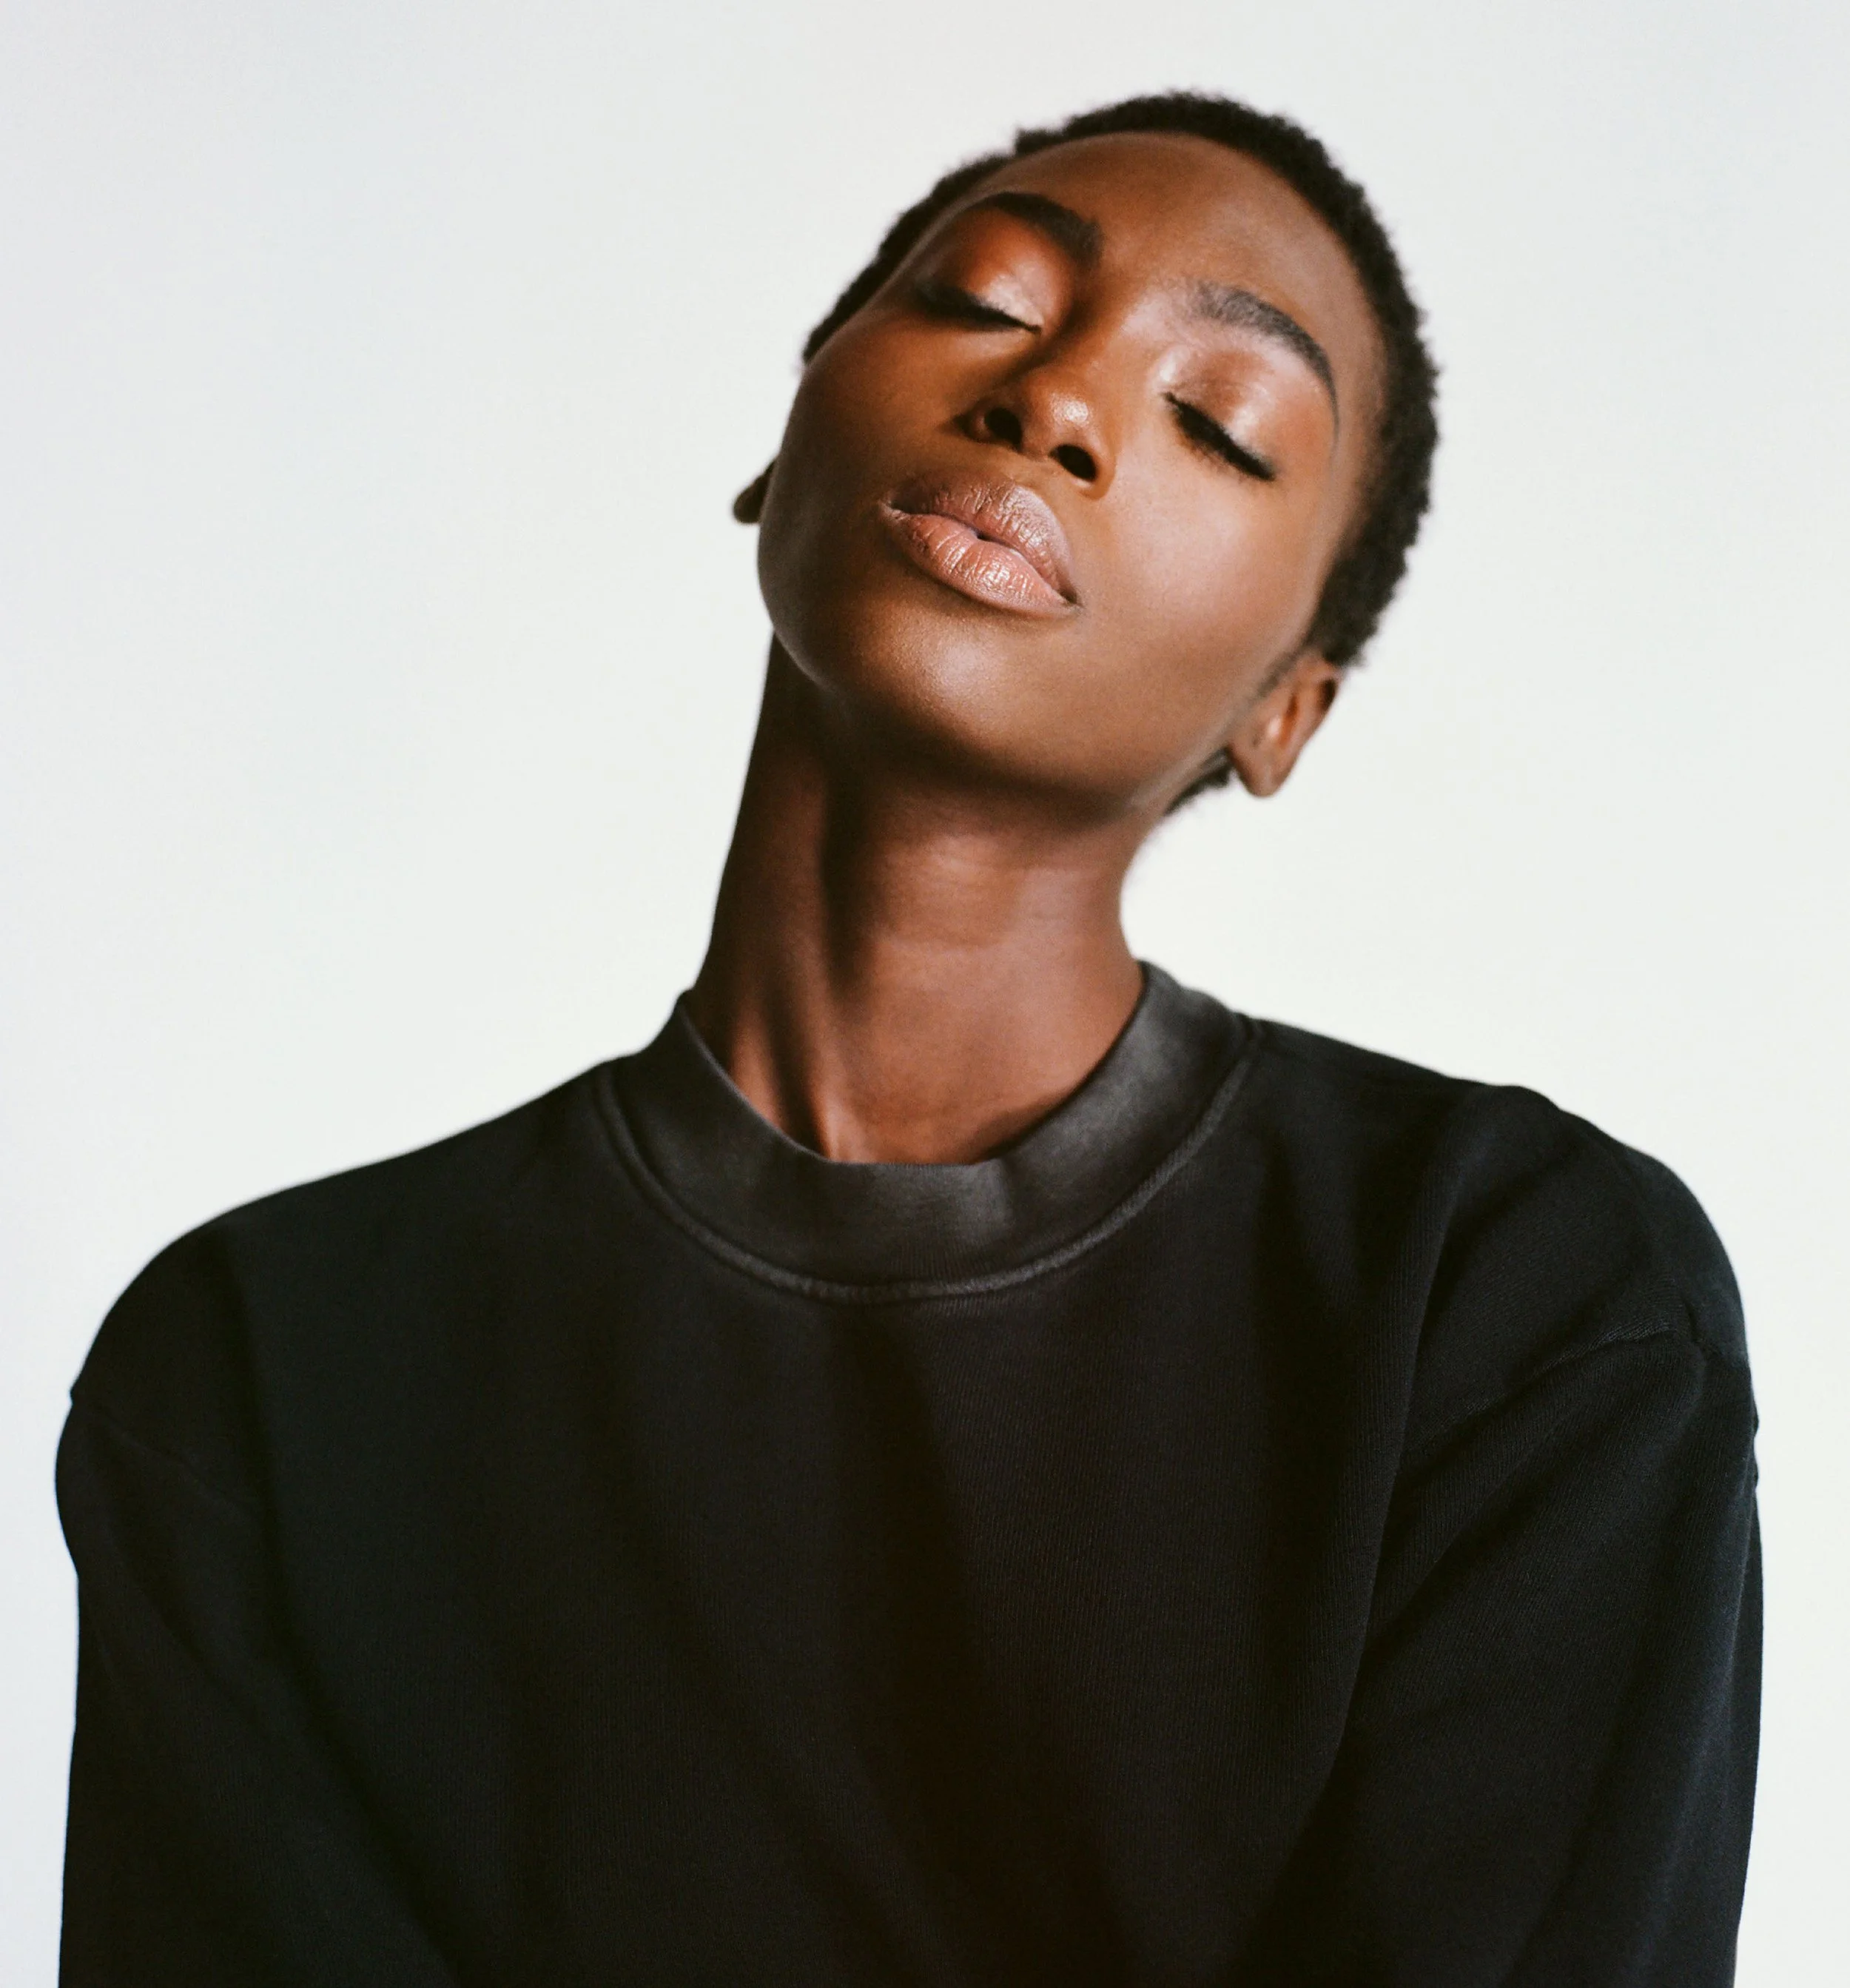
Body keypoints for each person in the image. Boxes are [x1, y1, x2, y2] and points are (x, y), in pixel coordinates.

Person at [57, 92, 1758, 1987]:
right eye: (981, 297)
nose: (1054, 405)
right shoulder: (265, 1371)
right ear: (784, 431)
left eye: (1220, 424)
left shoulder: (1511, 1304)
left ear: (1284, 711)